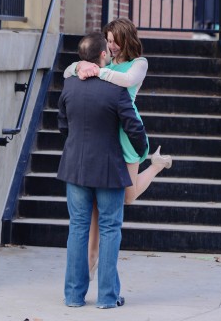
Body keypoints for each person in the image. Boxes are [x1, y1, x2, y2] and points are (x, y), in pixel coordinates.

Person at [64, 18, 173, 274]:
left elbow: (125, 81)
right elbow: (69, 71)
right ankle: (91, 256)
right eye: (108, 41)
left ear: (126, 39)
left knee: (128, 196)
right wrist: (81, 65)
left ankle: (156, 166)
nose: (110, 45)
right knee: (93, 202)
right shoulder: (106, 61)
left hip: (126, 131)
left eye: (114, 41)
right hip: (104, 130)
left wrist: (95, 70)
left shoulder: (139, 64)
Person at [57, 30, 148, 309]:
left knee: (78, 229)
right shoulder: (115, 89)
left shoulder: (69, 85)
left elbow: (63, 123)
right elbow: (134, 127)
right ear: (102, 55)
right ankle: (107, 297)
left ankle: (73, 295)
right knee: (110, 229)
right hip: (108, 169)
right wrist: (142, 151)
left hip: (75, 167)